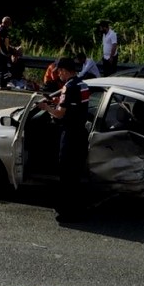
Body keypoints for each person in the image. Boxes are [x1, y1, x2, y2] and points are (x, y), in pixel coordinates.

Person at [35, 57, 90, 223]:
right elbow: (76, 105)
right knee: (76, 175)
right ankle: (77, 209)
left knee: (66, 173)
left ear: (65, 70)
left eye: (59, 71)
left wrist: (46, 107)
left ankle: (65, 212)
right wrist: (58, 101)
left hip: (70, 134)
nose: (58, 74)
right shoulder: (83, 85)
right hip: (81, 134)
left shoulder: (69, 86)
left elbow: (60, 114)